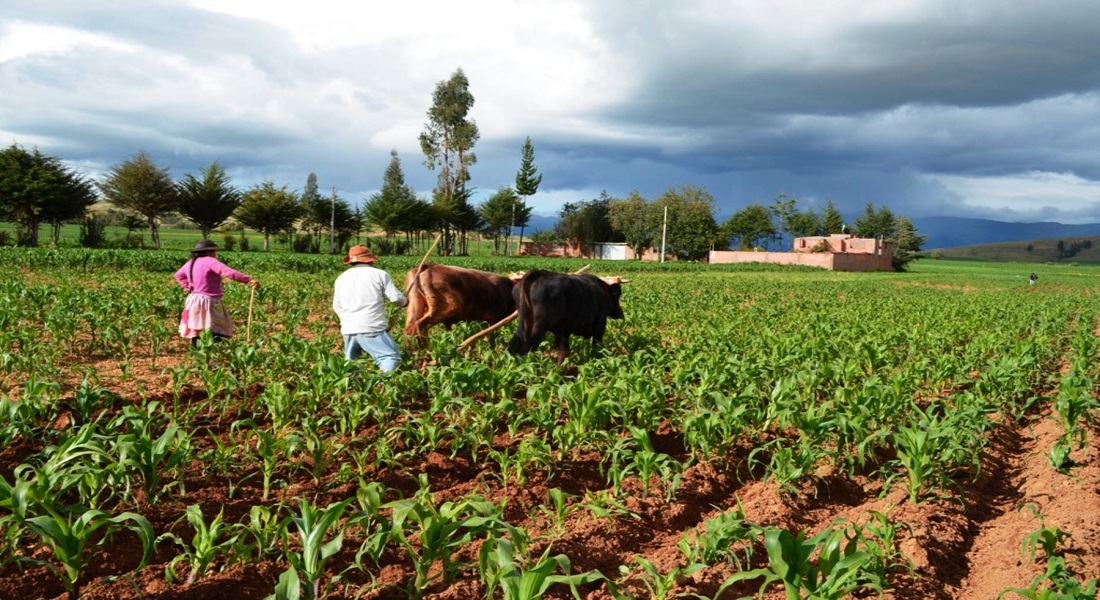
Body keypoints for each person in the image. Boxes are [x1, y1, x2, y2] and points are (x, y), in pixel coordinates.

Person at [332, 245, 408, 373]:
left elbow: (336, 306)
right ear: (370, 260)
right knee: (390, 358)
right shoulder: (379, 274)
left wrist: (348, 320)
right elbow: (395, 298)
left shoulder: (341, 278)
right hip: (371, 326)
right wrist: (406, 302)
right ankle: (382, 386)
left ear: (351, 261)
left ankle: (350, 389)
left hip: (348, 329)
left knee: (351, 364)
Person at [175, 239, 259, 346]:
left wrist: (188, 287)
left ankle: (198, 352)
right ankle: (213, 351)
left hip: (193, 299)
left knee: (197, 327)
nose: (215, 254)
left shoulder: (191, 262)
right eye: (214, 252)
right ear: (208, 252)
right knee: (214, 327)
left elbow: (178, 275)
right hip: (208, 301)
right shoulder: (210, 261)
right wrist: (248, 279)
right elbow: (228, 272)